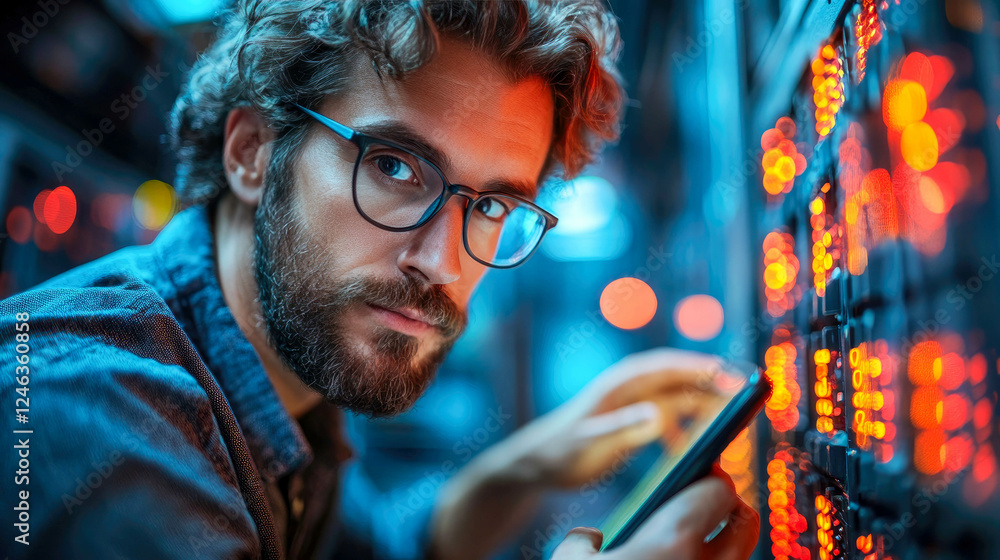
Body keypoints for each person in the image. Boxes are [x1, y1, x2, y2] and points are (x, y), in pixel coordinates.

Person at [0, 1, 759, 558]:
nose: (441, 263)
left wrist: (524, 468)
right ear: (254, 153)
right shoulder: (89, 415)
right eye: (395, 167)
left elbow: (384, 553)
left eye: (492, 203)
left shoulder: (287, 392)